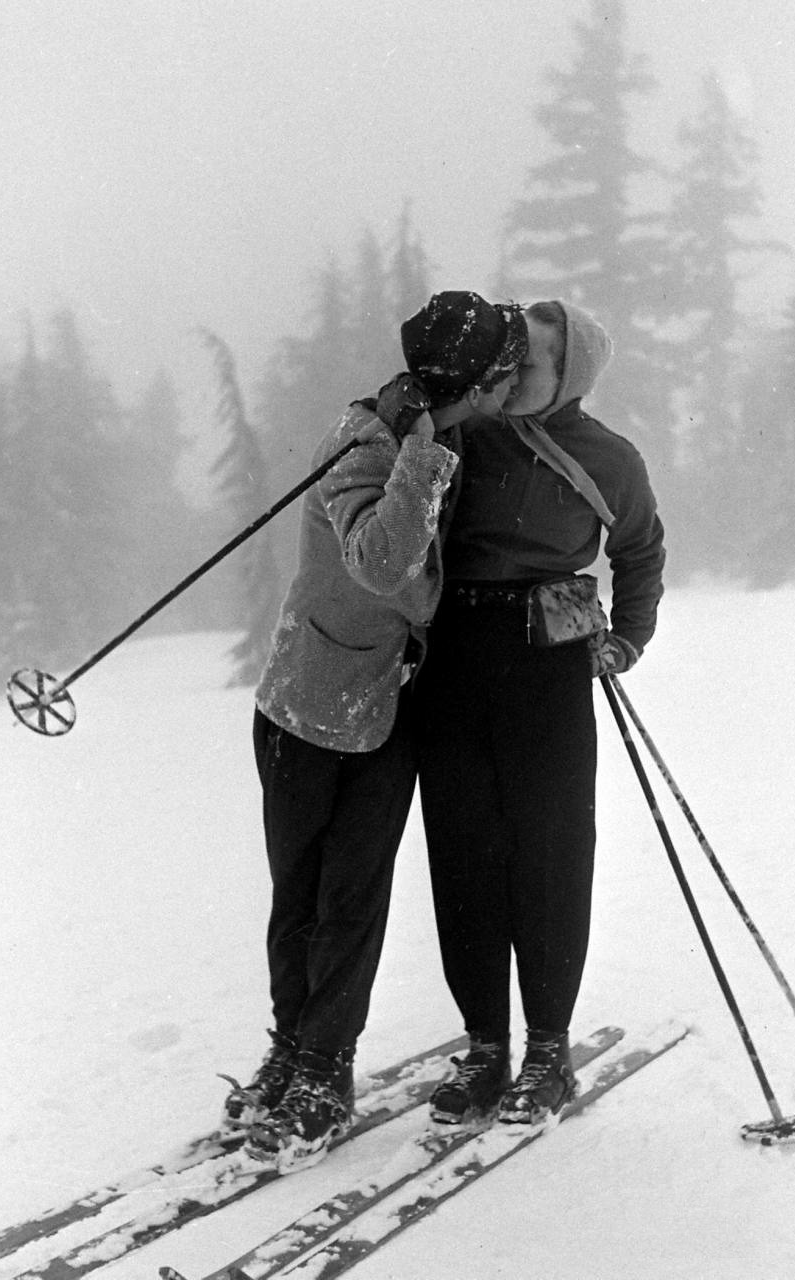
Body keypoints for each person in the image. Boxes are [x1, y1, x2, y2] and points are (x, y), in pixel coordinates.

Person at [224, 291, 529, 1172]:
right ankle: (293, 1050)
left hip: (384, 712)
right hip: (305, 707)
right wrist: (424, 459)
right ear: (474, 381)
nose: (510, 384)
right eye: (502, 372)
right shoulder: (370, 444)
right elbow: (379, 558)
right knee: (302, 895)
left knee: (350, 900)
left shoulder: (434, 434)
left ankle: (325, 1068)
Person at [413, 299, 665, 1128]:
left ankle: (548, 1052)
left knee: (551, 853)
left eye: (537, 361)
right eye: (513, 356)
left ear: (574, 373)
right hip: (454, 659)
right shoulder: (464, 434)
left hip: (549, 661)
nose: (515, 371)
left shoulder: (608, 458)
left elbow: (639, 549)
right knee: (463, 852)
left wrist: (625, 640)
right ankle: (486, 1046)